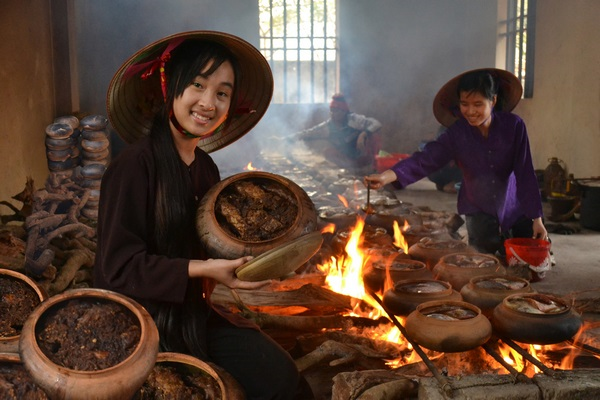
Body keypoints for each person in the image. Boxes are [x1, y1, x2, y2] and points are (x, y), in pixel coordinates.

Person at [94, 31, 312, 399]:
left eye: (222, 93)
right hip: (139, 325)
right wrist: (202, 271)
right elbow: (115, 268)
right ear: (169, 87)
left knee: (282, 377)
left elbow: (205, 250)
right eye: (198, 84)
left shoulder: (205, 168)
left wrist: (240, 273)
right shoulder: (134, 166)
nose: (208, 102)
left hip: (193, 315)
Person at [364, 68, 548, 255]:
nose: (470, 111)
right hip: (478, 207)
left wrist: (537, 218)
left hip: (513, 205)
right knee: (483, 261)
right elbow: (426, 159)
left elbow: (525, 172)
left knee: (523, 260)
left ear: (493, 101)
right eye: (464, 104)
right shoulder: (456, 133)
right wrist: (386, 176)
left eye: (478, 104)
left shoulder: (514, 126)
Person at [290, 93, 382, 170]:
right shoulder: (327, 127)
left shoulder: (355, 119)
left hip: (363, 155)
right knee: (328, 152)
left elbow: (376, 123)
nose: (333, 114)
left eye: (336, 111)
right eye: (332, 111)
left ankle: (372, 168)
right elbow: (309, 133)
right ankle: (349, 171)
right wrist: (288, 138)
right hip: (347, 158)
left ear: (344, 112)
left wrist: (363, 134)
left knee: (375, 136)